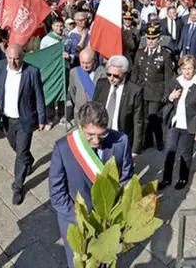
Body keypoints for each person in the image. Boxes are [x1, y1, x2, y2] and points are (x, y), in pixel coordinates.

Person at [48, 102, 133, 268]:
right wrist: (82, 220)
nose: (96, 141)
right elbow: (57, 194)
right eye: (90, 135)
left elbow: (126, 180)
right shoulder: (63, 148)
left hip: (107, 222)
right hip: (76, 221)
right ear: (80, 127)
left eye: (102, 135)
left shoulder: (121, 141)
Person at [0, 44, 45, 205]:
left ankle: (17, 187)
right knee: (17, 148)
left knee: (20, 152)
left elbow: (39, 96)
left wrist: (41, 119)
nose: (12, 62)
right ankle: (28, 160)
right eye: (9, 58)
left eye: (16, 58)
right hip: (6, 119)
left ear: (22, 57)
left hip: (25, 120)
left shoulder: (32, 72)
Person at [159, 55, 196, 191]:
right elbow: (164, 99)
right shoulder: (175, 81)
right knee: (170, 150)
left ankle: (183, 178)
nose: (187, 71)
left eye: (190, 68)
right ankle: (166, 178)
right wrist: (170, 97)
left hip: (189, 124)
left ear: (195, 69)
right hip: (174, 122)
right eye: (184, 68)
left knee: (185, 153)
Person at [131, 24, 174, 151]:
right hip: (141, 90)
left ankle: (159, 140)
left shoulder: (165, 55)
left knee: (153, 116)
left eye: (153, 38)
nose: (150, 41)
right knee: (143, 118)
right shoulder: (140, 53)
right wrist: (132, 89)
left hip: (156, 92)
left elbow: (168, 76)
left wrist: (167, 93)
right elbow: (135, 73)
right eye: (148, 38)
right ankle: (147, 140)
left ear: (159, 39)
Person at [92, 55, 144, 158]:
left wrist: (135, 149)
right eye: (109, 74)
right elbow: (94, 109)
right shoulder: (101, 84)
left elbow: (138, 121)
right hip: (100, 134)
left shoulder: (134, 90)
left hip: (120, 137)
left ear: (124, 74)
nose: (111, 78)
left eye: (116, 76)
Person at [67, 48, 106, 130]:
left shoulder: (103, 72)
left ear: (94, 60)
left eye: (88, 63)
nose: (85, 66)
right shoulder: (74, 72)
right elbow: (72, 92)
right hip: (80, 112)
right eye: (82, 63)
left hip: (96, 114)